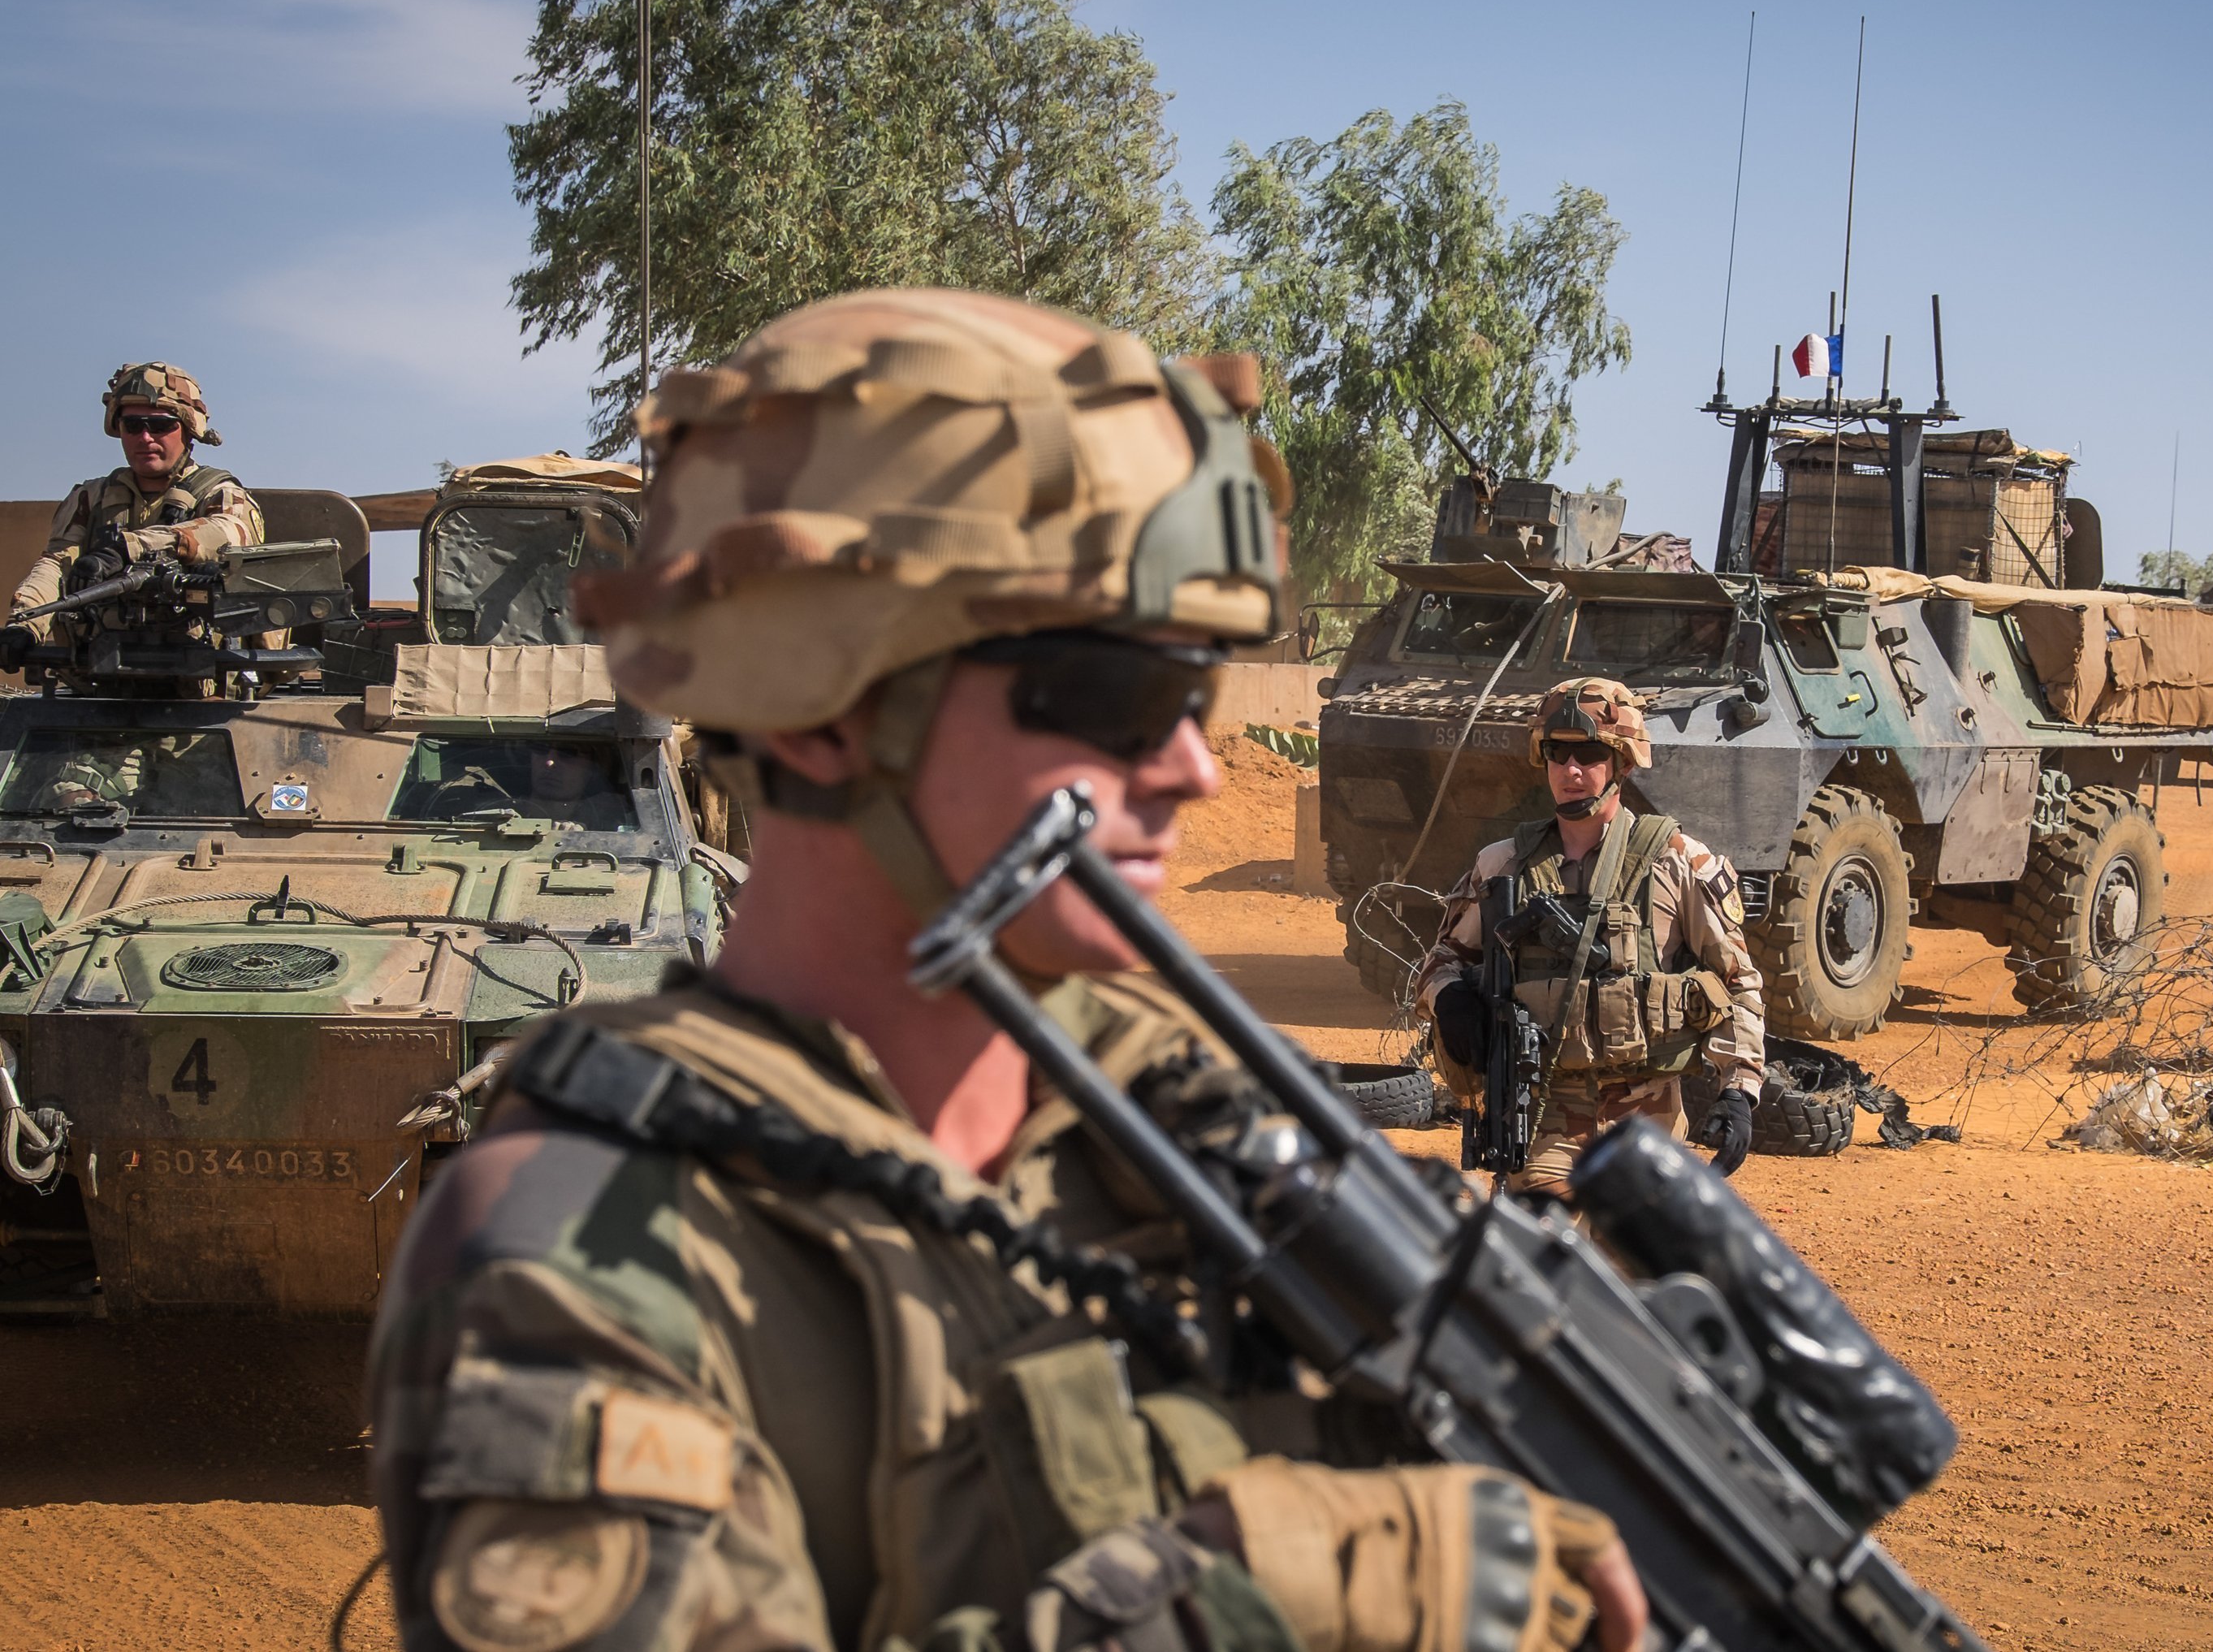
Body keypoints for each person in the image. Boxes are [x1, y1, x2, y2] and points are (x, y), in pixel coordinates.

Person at [367, 290, 1643, 1652]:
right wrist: (1291, 1585)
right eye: (1121, 696)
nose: (1194, 767)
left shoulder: (1169, 1107)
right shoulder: (581, 1258)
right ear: (824, 705)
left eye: (1197, 691)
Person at [1416, 677, 1766, 1192]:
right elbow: (1441, 961)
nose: (1571, 770)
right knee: (1535, 1239)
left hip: (1645, 1118)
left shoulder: (1677, 862)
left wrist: (1739, 1089)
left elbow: (1738, 981)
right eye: (1557, 754)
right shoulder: (1502, 865)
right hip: (1540, 1114)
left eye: (1589, 754)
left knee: (1645, 1244)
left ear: (1623, 763)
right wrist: (1450, 999)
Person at [7, 362, 263, 644]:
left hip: (199, 663)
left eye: (161, 425)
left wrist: (129, 548)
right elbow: (57, 565)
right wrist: (25, 623)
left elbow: (229, 533)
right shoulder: (92, 497)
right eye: (132, 425)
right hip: (101, 661)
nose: (145, 437)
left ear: (189, 429)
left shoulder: (219, 493)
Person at [520, 741, 634, 828]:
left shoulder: (610, 825)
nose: (549, 763)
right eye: (540, 748)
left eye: (567, 752)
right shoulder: (510, 807)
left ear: (593, 767)